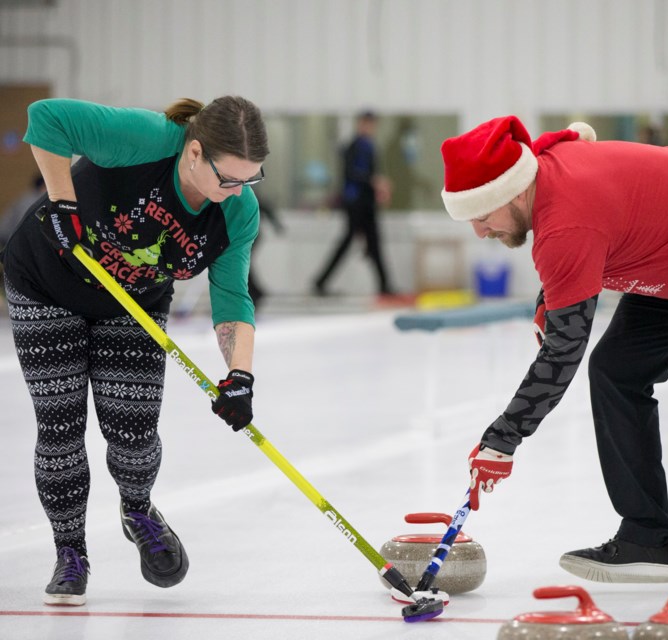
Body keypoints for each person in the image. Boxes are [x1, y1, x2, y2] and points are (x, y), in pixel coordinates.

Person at [439, 115, 668, 596]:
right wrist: (550, 298)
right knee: (615, 371)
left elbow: (563, 351)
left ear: (511, 193)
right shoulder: (544, 175)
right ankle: (646, 538)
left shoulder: (564, 222)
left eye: (482, 216)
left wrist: (502, 440)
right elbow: (594, 232)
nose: (480, 232)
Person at [1, 96, 269, 606]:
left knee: (134, 430)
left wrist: (240, 375)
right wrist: (63, 202)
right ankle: (69, 553)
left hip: (133, 303)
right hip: (46, 281)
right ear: (194, 153)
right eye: (229, 179)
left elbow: (232, 297)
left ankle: (138, 509)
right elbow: (44, 119)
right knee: (60, 427)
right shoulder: (147, 141)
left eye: (250, 180)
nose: (237, 192)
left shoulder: (237, 213)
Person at [312, 110, 394, 296]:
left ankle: (384, 285)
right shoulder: (355, 146)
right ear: (360, 124)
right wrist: (374, 181)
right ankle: (321, 282)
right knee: (357, 241)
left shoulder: (369, 145)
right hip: (357, 203)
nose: (369, 127)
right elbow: (351, 173)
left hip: (365, 202)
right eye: (366, 123)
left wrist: (377, 187)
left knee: (372, 243)